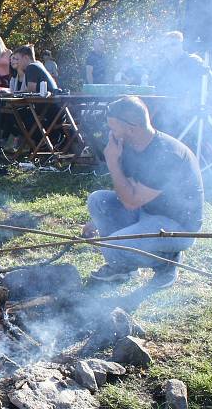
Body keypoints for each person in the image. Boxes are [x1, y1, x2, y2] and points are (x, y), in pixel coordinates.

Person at [84, 96, 203, 289]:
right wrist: (98, 220)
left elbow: (131, 202)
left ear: (131, 129)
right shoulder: (132, 146)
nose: (110, 134)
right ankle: (123, 267)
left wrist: (113, 162)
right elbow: (128, 192)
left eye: (113, 129)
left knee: (113, 248)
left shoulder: (166, 155)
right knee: (98, 200)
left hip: (177, 227)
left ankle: (166, 262)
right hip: (146, 212)